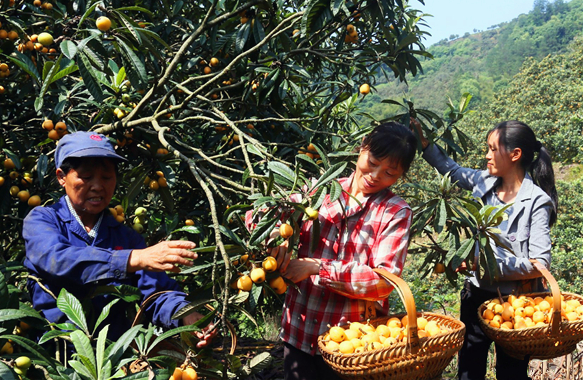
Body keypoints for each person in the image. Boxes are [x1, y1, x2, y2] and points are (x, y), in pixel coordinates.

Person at [251, 122, 417, 380]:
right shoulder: (322, 190)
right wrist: (276, 235)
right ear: (362, 148)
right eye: (372, 162)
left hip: (354, 347)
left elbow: (384, 282)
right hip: (299, 332)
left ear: (401, 176)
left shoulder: (395, 212)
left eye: (389, 172)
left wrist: (317, 267)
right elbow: (258, 214)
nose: (375, 175)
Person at [23, 131, 215, 348]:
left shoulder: (127, 238)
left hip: (112, 361)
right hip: (57, 356)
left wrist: (184, 314)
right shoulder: (42, 220)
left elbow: (155, 293)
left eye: (106, 177)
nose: (97, 186)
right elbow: (57, 259)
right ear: (61, 177)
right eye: (86, 177)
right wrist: (131, 259)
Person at [411, 119, 557, 380]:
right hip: (475, 295)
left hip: (516, 305)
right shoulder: (485, 182)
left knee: (511, 374)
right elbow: (453, 171)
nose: (486, 155)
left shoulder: (536, 202)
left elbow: (540, 263)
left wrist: (483, 263)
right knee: (468, 371)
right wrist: (425, 144)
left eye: (492, 149)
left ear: (515, 155)